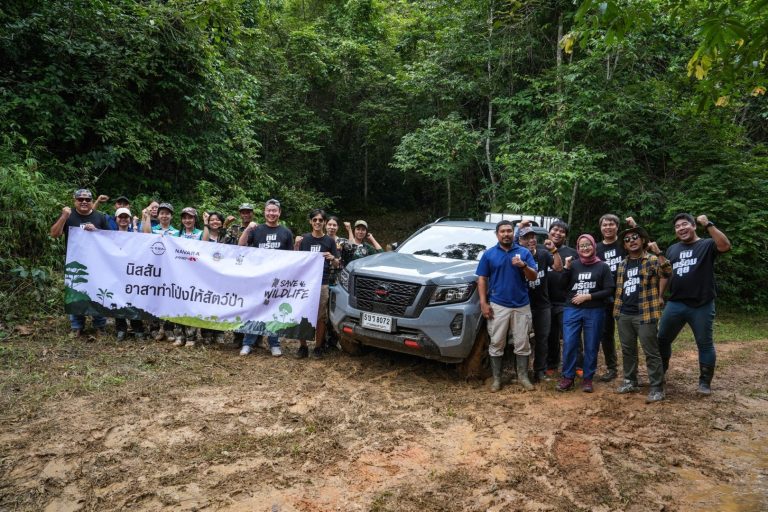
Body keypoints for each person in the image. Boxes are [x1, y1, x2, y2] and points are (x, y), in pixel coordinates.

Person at [657, 213, 731, 395]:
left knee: (704, 343)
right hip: (675, 303)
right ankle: (659, 374)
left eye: (685, 224)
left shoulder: (707, 244)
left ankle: (704, 383)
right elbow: (666, 274)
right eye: (677, 227)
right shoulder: (672, 249)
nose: (681, 228)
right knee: (662, 339)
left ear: (694, 226)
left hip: (701, 304)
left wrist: (708, 224)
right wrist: (660, 295)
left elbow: (725, 245)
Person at [476, 220, 539, 392]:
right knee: (496, 342)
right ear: (497, 234)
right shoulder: (489, 254)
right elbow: (482, 279)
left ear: (514, 233)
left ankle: (523, 377)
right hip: (498, 304)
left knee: (522, 342)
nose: (506, 234)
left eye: (509, 231)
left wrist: (523, 265)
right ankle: (497, 379)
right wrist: (483, 302)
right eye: (502, 231)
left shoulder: (524, 253)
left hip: (521, 304)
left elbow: (533, 276)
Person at [613, 225, 671, 403]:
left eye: (635, 237)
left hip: (645, 313)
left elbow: (667, 272)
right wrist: (617, 312)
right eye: (627, 239)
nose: (631, 241)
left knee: (651, 352)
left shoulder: (652, 259)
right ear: (624, 245)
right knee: (628, 350)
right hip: (624, 313)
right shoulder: (622, 264)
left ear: (643, 240)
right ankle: (630, 381)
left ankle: (656, 387)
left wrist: (659, 252)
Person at [557, 234, 615, 393]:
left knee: (591, 345)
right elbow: (561, 286)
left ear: (593, 246)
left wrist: (588, 296)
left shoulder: (602, 266)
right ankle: (568, 377)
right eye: (582, 246)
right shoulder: (573, 265)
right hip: (572, 309)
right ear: (578, 248)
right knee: (569, 343)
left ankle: (588, 378)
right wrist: (566, 268)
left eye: (588, 245)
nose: (585, 248)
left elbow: (609, 289)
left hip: (595, 310)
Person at [50, 188, 110, 338]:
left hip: (97, 263)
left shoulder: (99, 217)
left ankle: (99, 325)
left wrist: (96, 231)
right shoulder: (68, 215)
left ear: (91, 201)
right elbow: (54, 234)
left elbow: (110, 238)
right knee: (75, 292)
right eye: (80, 199)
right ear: (74, 200)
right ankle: (77, 326)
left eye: (87, 199)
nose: (84, 202)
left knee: (97, 292)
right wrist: (64, 217)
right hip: (75, 262)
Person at [238, 198, 294, 357]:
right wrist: (247, 229)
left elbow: (291, 257)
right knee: (254, 309)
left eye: (274, 210)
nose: (271, 213)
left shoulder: (286, 232)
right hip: (258, 277)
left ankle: (274, 344)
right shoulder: (256, 229)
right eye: (269, 210)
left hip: (276, 279)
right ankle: (247, 343)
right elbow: (241, 245)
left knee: (274, 311)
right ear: (264, 212)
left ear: (279, 213)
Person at [517, 225, 562, 382]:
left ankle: (539, 371)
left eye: (533, 237)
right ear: (520, 241)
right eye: (526, 238)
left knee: (542, 338)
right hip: (522, 304)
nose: (531, 240)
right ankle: (521, 372)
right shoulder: (516, 257)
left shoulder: (543, 254)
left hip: (543, 304)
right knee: (521, 339)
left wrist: (554, 250)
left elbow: (558, 268)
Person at [295, 209, 340, 358]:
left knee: (321, 317)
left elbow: (337, 264)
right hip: (305, 283)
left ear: (324, 222)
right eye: (315, 220)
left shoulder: (330, 241)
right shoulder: (304, 239)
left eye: (320, 220)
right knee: (302, 314)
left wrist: (332, 258)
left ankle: (318, 347)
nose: (317, 222)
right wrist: (296, 245)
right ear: (310, 222)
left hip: (322, 282)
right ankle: (303, 347)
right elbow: (295, 260)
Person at [545, 220, 579, 377]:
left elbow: (578, 275)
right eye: (555, 230)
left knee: (570, 335)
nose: (557, 233)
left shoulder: (572, 253)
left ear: (566, 236)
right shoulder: (540, 249)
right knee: (550, 335)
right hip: (545, 301)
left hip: (566, 301)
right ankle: (552, 363)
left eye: (562, 231)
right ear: (549, 232)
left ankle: (577, 364)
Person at [595, 214, 626, 382]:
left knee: (627, 333)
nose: (608, 227)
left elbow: (643, 246)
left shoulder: (624, 244)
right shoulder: (596, 248)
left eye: (611, 224)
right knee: (606, 334)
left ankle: (631, 370)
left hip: (625, 295)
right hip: (604, 297)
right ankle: (612, 368)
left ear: (617, 227)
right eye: (604, 225)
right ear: (601, 228)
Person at [141, 203, 179, 341]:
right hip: (154, 270)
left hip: (170, 270)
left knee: (169, 298)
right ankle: (154, 328)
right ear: (158, 215)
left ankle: (168, 329)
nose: (164, 216)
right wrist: (146, 217)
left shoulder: (177, 232)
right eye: (162, 213)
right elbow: (146, 236)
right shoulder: (153, 229)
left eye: (167, 213)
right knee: (153, 297)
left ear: (171, 216)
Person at [112, 207, 145, 340]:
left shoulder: (136, 235)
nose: (123, 219)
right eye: (120, 217)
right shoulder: (110, 236)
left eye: (126, 217)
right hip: (116, 273)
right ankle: (121, 329)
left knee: (134, 300)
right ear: (116, 219)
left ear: (130, 219)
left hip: (133, 273)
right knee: (117, 300)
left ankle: (138, 328)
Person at [225, 203, 254, 348]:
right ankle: (237, 337)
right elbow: (223, 243)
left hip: (253, 270)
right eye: (243, 212)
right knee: (237, 302)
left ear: (252, 213)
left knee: (253, 303)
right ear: (240, 214)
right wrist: (225, 225)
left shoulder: (258, 228)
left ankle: (256, 338)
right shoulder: (233, 229)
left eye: (248, 212)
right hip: (236, 269)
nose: (246, 214)